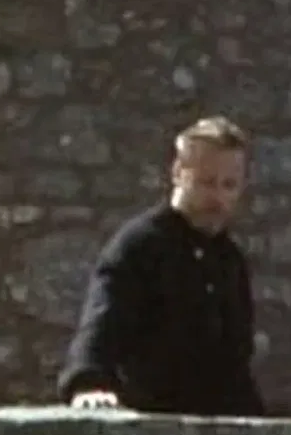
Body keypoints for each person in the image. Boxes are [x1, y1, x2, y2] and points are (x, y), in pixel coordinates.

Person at [58, 116, 265, 416]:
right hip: (154, 422)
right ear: (178, 173)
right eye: (207, 183)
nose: (218, 197)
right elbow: (103, 321)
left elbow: (234, 362)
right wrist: (87, 382)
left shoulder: (228, 260)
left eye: (229, 185)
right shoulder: (141, 246)